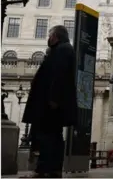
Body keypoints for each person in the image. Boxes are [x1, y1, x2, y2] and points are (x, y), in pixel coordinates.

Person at [22, 25, 77, 178]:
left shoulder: (63, 50)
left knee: (46, 136)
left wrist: (54, 98)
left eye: (50, 35)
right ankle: (53, 169)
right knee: (53, 135)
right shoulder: (62, 49)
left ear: (55, 36)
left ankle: (43, 169)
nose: (48, 37)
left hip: (51, 102)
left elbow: (59, 76)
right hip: (52, 101)